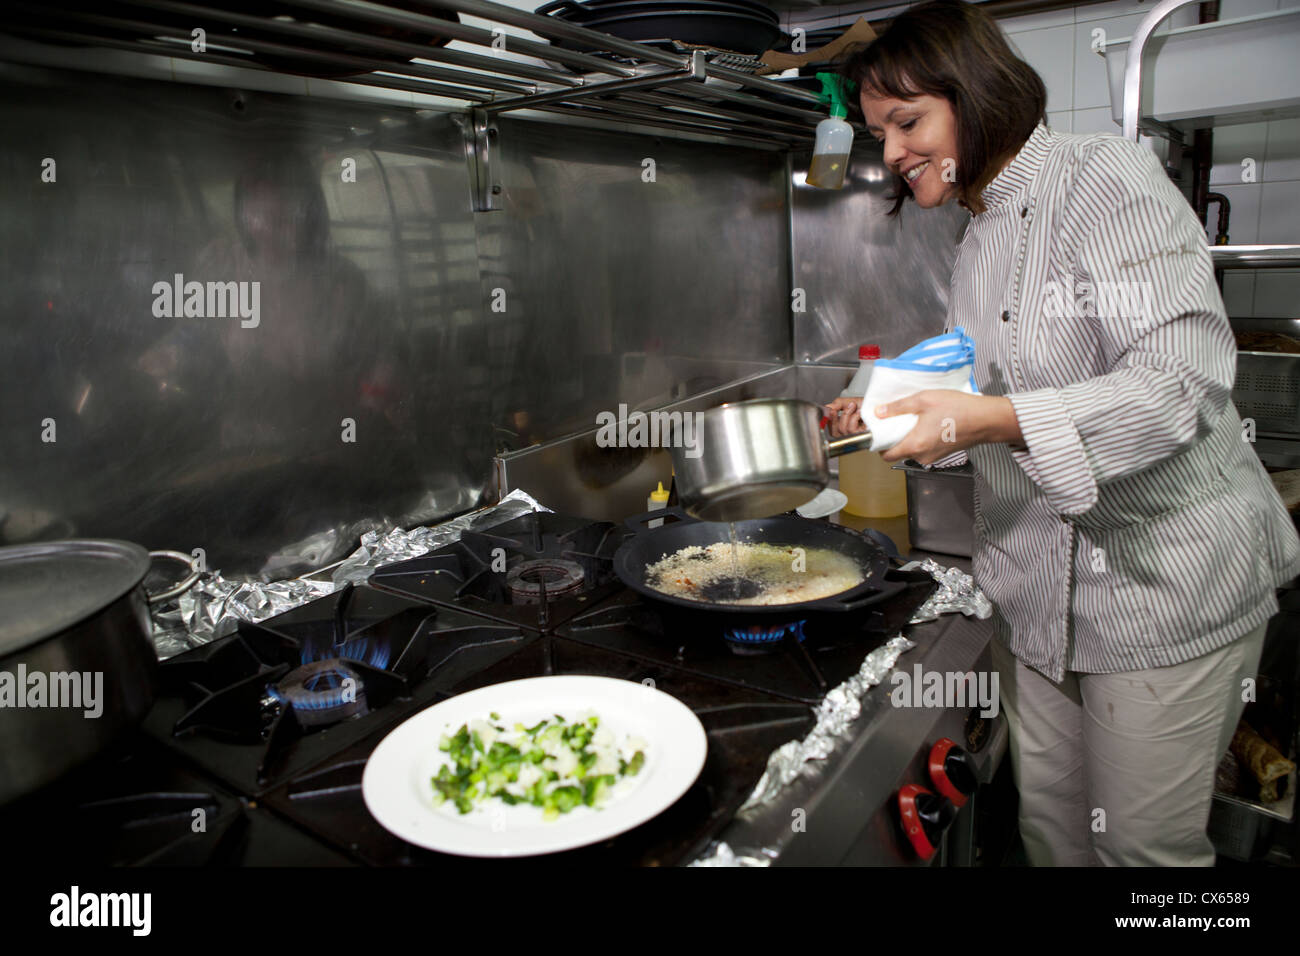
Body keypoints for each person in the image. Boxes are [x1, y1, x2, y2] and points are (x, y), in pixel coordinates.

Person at [825, 0, 1300, 866]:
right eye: (878, 130)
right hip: (1040, 592)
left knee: (1145, 854)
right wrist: (895, 402)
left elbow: (1180, 383)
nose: (890, 151)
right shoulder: (977, 232)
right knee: (1052, 834)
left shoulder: (1104, 180)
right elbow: (997, 384)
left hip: (1163, 589)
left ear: (973, 97)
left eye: (906, 121)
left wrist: (993, 417)